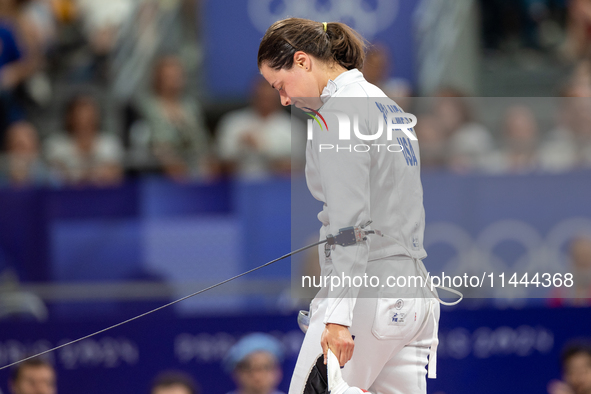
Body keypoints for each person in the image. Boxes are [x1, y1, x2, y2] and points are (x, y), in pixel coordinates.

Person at [258, 18, 440, 394]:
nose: (284, 100)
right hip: (413, 298)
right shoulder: (384, 103)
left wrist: (338, 317)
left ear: (303, 61)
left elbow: (351, 229)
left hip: (367, 298)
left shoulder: (337, 114)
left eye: (280, 84)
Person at [216, 77, 293, 179]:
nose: (265, 100)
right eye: (261, 96)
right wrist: (242, 147)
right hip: (237, 186)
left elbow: (296, 169)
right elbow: (219, 164)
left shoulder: (291, 128)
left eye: (269, 97)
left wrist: (262, 148)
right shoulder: (232, 123)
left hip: (277, 188)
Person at [45, 94, 124, 186]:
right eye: (79, 115)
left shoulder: (110, 143)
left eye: (89, 116)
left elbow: (115, 175)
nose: (84, 120)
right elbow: (55, 175)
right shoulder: (56, 144)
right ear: (69, 117)